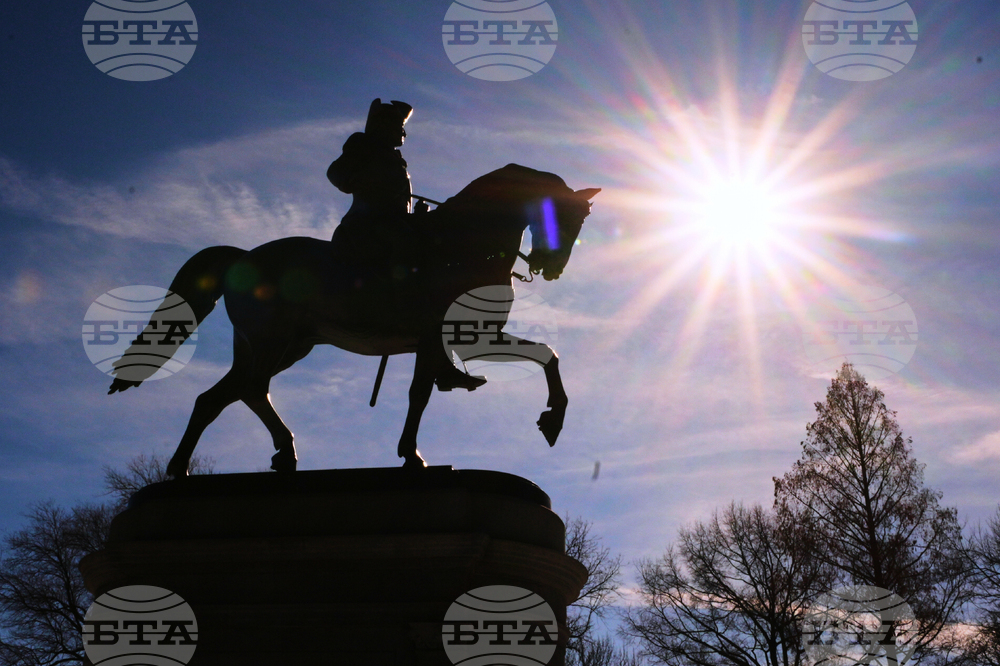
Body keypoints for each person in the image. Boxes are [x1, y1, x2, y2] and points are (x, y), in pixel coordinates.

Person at [327, 99, 485, 392]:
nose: (404, 133)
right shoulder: (363, 146)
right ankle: (401, 311)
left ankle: (435, 339)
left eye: (403, 127)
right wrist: (363, 178)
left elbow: (397, 203)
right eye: (399, 127)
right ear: (382, 127)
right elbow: (338, 175)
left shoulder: (393, 157)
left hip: (392, 224)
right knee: (411, 248)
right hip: (367, 226)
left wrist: (415, 216)